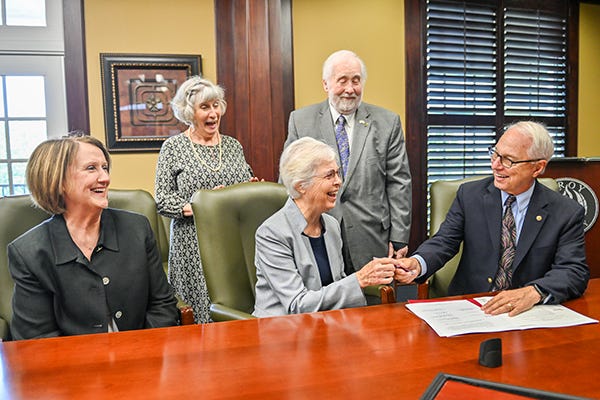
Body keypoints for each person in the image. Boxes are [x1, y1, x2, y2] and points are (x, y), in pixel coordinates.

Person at [394, 121, 590, 316]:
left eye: (508, 160)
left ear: (537, 168)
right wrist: (418, 263)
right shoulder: (470, 195)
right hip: (471, 307)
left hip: (526, 313)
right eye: (495, 154)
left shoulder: (566, 212)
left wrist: (534, 292)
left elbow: (573, 271)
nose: (495, 166)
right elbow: (444, 241)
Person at [8, 135, 179, 340]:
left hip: (141, 358)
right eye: (91, 168)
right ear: (58, 180)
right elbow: (37, 338)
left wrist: (140, 351)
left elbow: (163, 304)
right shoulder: (29, 252)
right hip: (71, 366)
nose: (105, 178)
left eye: (105, 168)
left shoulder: (138, 228)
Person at [285, 49, 412, 276]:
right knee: (323, 304)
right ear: (326, 84)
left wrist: (399, 237)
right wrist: (291, 234)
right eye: (342, 80)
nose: (350, 89)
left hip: (372, 236)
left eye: (356, 80)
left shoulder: (387, 122)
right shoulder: (301, 121)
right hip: (316, 233)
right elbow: (289, 182)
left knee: (375, 307)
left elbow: (399, 182)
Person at [253, 137, 397, 317]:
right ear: (301, 186)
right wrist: (359, 279)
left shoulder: (332, 225)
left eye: (338, 173)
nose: (338, 182)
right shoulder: (272, 233)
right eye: (329, 175)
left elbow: (338, 286)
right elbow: (297, 305)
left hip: (326, 326)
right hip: (282, 331)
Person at [155, 76, 258, 323]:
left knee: (233, 307)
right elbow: (162, 199)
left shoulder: (233, 145)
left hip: (232, 240)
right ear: (190, 112)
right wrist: (199, 208)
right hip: (192, 242)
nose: (213, 113)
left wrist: (249, 188)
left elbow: (246, 180)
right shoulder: (173, 147)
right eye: (204, 107)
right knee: (198, 314)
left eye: (215, 105)